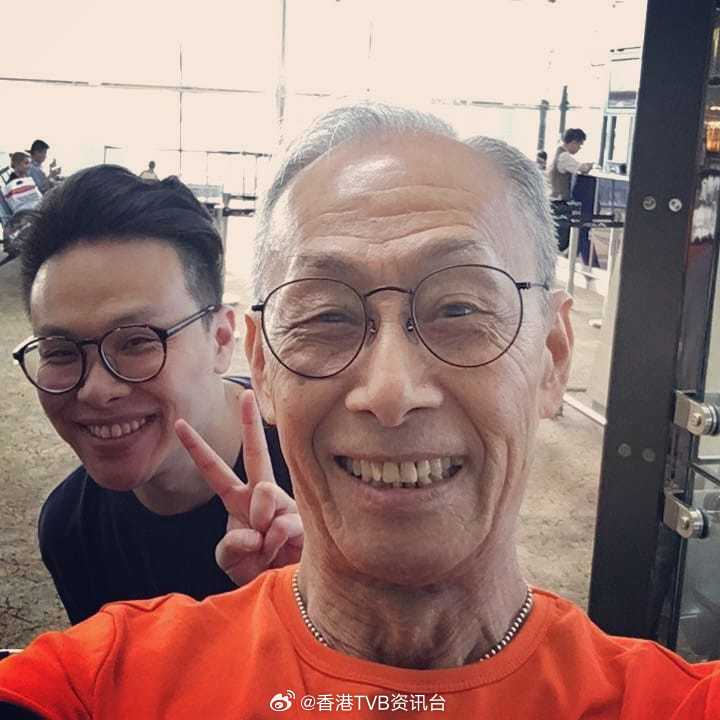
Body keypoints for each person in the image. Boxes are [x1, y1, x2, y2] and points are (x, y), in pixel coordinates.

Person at [1, 104, 719, 719]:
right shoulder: (111, 678)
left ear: (552, 356)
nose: (390, 390)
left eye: (459, 308)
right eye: (325, 316)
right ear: (263, 366)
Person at [9, 165, 299, 625]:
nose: (96, 390)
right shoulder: (71, 531)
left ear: (222, 339)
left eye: (138, 342)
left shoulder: (326, 474)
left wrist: (323, 602)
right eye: (60, 351)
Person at [548, 128, 593, 257]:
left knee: (562, 235)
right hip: (559, 201)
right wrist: (590, 165)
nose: (579, 148)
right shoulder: (564, 156)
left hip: (554, 199)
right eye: (580, 145)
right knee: (563, 237)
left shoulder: (557, 153)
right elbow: (582, 169)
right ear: (573, 142)